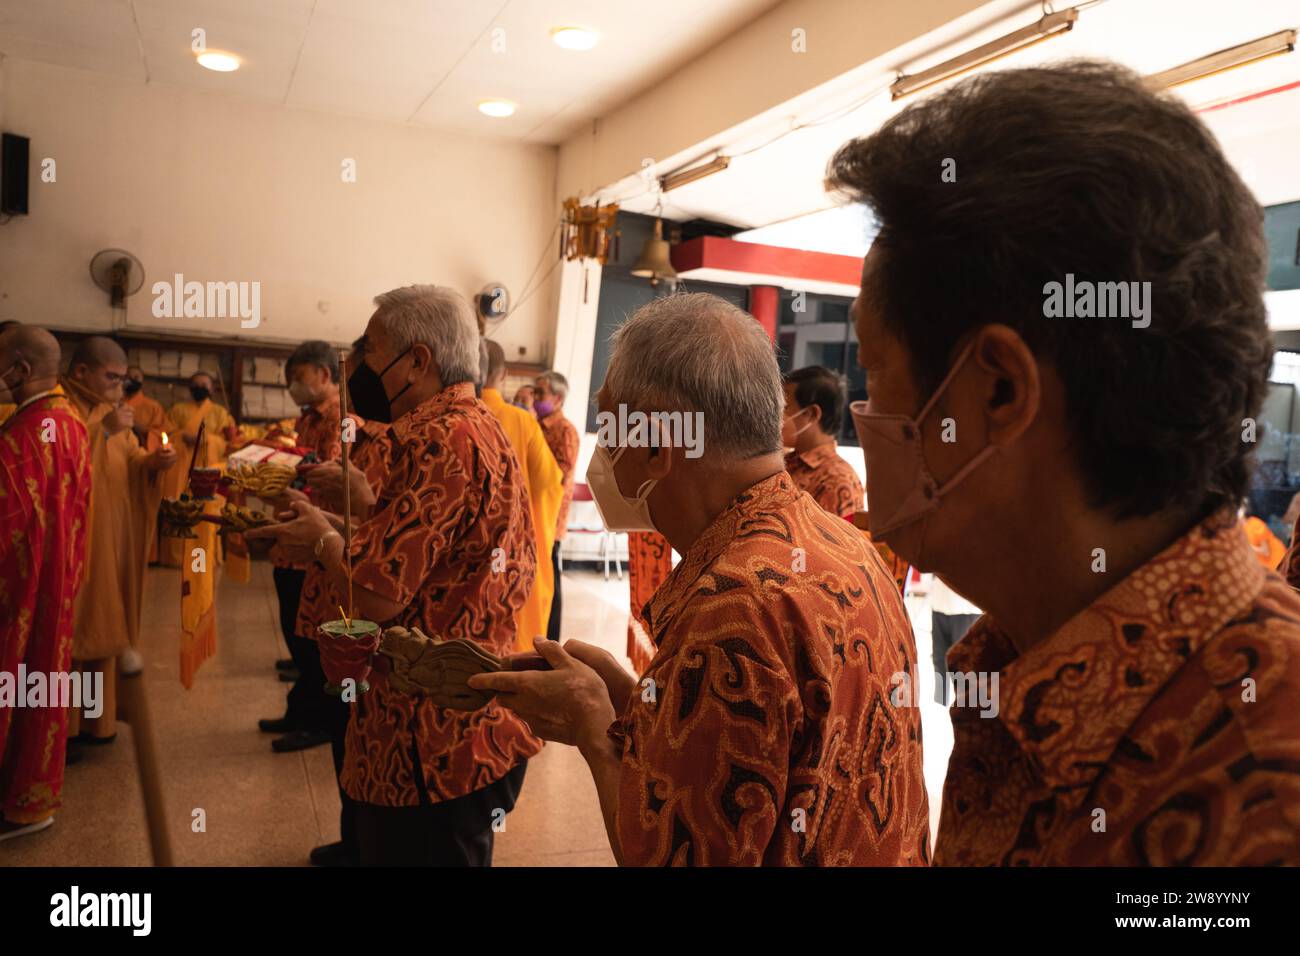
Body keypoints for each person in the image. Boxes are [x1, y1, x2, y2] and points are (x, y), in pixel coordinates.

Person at [827, 60, 1300, 864]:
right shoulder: (1022, 669)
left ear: (1000, 393)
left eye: (876, 372)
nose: (867, 417)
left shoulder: (1261, 789)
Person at [470, 293, 930, 866]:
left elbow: (671, 856)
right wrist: (641, 701)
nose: (604, 455)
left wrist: (592, 730)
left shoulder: (733, 606)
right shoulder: (843, 543)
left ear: (660, 446)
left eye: (611, 430)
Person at [247, 285, 539, 866]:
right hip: (456, 716)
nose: (360, 367)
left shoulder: (439, 437)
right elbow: (425, 555)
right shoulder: (470, 421)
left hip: (430, 736)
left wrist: (325, 543)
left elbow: (377, 599)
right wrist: (332, 527)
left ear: (418, 360)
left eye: (372, 349)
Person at [61, 337, 177, 744]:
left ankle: (97, 720)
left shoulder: (110, 412)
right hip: (77, 545)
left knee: (107, 629)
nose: (118, 387)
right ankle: (67, 727)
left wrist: (153, 464)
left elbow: (130, 463)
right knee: (79, 632)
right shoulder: (61, 409)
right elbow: (60, 464)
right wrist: (101, 432)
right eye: (111, 377)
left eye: (123, 379)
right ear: (81, 373)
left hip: (111, 541)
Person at [0, 326, 92, 841]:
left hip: (22, 592)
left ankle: (16, 804)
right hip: (55, 582)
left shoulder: (30, 432)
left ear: (21, 369)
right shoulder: (68, 420)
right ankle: (29, 800)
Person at [258, 341, 343, 754]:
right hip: (291, 533)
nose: (293, 385)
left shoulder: (342, 419)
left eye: (299, 377)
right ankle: (300, 709)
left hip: (317, 536)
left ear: (325, 374)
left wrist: (290, 470)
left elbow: (330, 475)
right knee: (294, 628)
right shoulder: (308, 418)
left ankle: (317, 720)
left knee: (310, 639)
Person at [481, 341, 564, 652]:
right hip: (511, 550)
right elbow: (549, 483)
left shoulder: (448, 418)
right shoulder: (521, 422)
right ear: (502, 376)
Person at [158, 370, 236, 566]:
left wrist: (206, 439)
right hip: (181, 470)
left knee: (204, 516)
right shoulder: (178, 409)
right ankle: (176, 559)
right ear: (190, 388)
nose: (200, 388)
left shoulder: (220, 413)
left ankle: (201, 561)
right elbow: (166, 435)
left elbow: (229, 443)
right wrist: (182, 437)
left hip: (207, 473)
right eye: (196, 384)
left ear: (212, 388)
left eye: (205, 384)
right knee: (179, 511)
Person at [533, 370, 580, 641]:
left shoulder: (565, 431)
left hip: (552, 518)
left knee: (552, 579)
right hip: (535, 515)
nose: (537, 399)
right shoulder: (536, 426)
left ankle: (551, 639)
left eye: (542, 394)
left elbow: (559, 475)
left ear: (558, 398)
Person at [781, 365, 864, 518]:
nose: (776, 415)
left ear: (812, 414)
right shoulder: (785, 462)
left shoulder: (839, 480)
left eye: (784, 407)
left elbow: (838, 541)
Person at [122, 365, 166, 450]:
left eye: (136, 377)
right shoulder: (114, 403)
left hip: (142, 452)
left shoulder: (153, 406)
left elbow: (161, 435)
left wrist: (141, 428)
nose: (131, 380)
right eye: (127, 377)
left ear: (143, 381)